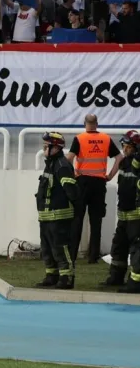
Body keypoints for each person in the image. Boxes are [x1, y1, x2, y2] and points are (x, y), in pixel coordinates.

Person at [68, 114, 120, 263]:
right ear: (97, 123)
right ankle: (93, 257)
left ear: (85, 123)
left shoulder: (79, 138)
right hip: (99, 182)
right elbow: (119, 158)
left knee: (77, 219)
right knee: (96, 221)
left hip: (82, 182)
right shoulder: (106, 138)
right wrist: (110, 175)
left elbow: (69, 159)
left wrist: (73, 177)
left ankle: (72, 256)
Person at [35, 131, 80, 289]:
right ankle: (51, 275)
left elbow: (72, 192)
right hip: (47, 217)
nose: (44, 149)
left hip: (59, 217)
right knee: (47, 248)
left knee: (61, 248)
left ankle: (66, 277)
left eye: (46, 146)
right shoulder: (51, 164)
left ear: (55, 148)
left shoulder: (62, 165)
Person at [103, 130, 140, 291]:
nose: (124, 149)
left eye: (127, 146)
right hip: (123, 214)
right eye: (123, 146)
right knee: (118, 248)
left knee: (136, 251)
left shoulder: (137, 164)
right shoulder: (124, 162)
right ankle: (116, 277)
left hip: (136, 216)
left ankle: (135, 283)